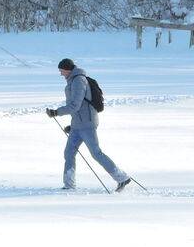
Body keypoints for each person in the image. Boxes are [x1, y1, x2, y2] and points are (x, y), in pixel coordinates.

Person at [47, 58, 133, 192]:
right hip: (78, 125)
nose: (61, 73)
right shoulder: (72, 81)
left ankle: (122, 178)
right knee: (69, 153)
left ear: (68, 69)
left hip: (87, 124)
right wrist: (73, 125)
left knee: (96, 153)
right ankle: (69, 185)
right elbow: (78, 108)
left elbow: (75, 105)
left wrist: (56, 112)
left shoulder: (79, 81)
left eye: (62, 70)